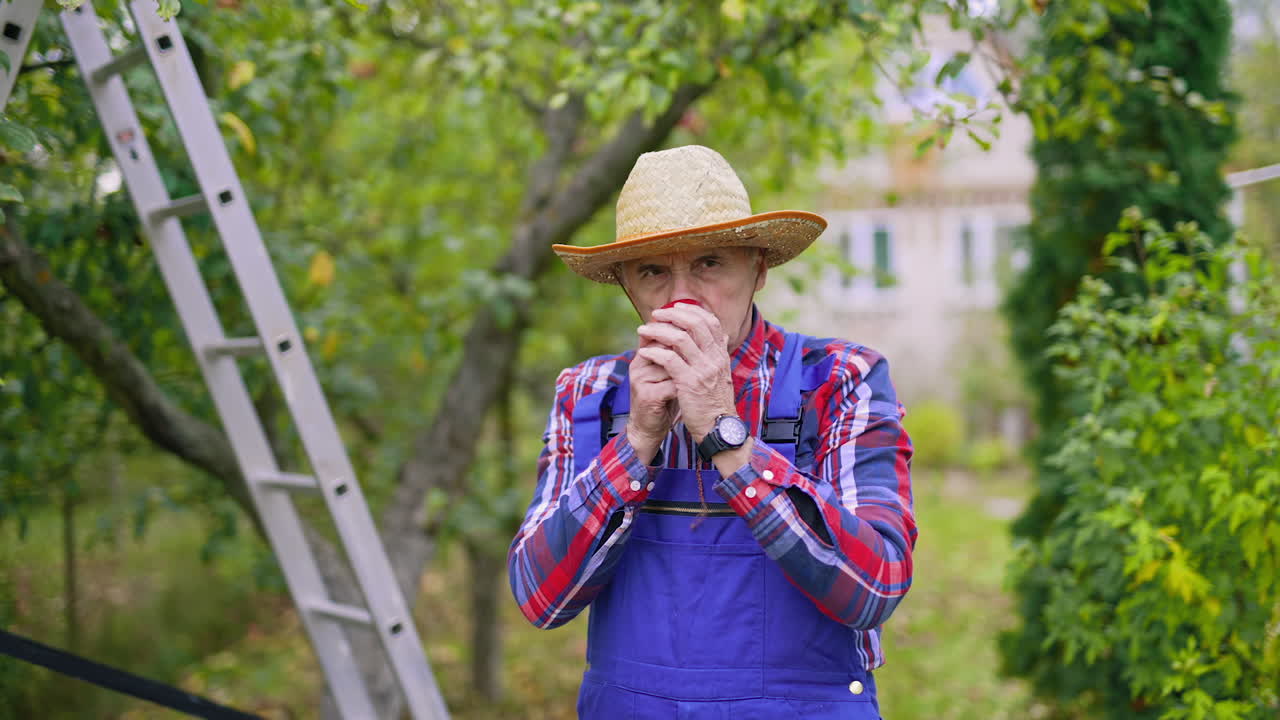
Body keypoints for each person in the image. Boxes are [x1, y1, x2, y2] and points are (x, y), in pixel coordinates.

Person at [508, 145, 916, 719]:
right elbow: (539, 599)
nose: (681, 298)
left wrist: (726, 437)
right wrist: (636, 445)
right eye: (653, 271)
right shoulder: (590, 394)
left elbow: (876, 587)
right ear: (626, 285)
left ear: (758, 267)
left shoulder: (839, 381)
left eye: (709, 263)